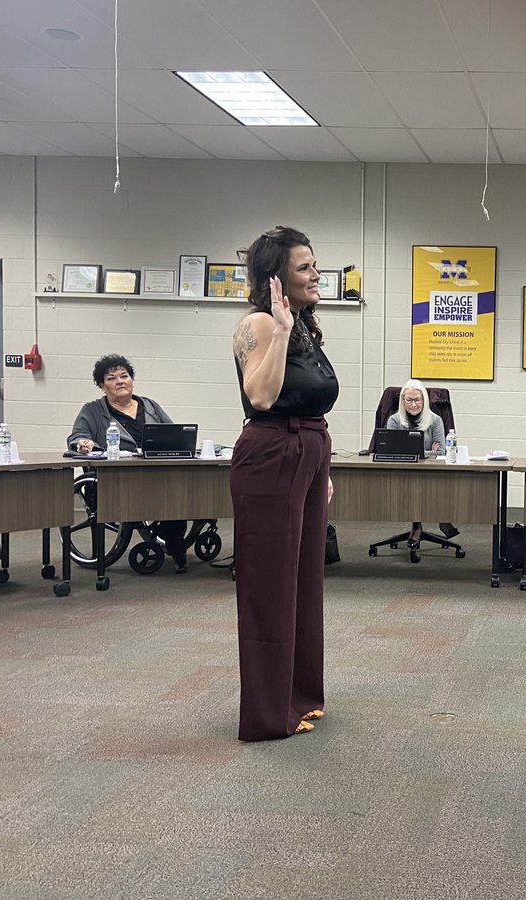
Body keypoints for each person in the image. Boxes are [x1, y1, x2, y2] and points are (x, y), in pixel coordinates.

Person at [231, 225, 338, 741]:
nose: (316, 274)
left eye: (315, 265)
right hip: (273, 454)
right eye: (304, 267)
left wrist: (324, 470)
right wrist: (276, 327)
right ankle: (268, 712)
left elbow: (316, 401)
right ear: (277, 277)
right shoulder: (259, 324)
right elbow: (262, 397)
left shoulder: (305, 328)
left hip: (309, 455)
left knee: (304, 583)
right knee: (270, 585)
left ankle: (299, 696)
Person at [67, 354, 190, 573]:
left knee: (179, 496)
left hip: (157, 475)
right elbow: (76, 438)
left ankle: (174, 544)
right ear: (101, 386)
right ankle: (172, 544)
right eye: (112, 378)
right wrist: (83, 443)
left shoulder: (149, 405)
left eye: (124, 376)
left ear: (132, 380)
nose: (120, 381)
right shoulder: (93, 410)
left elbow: (174, 433)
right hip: (117, 480)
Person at [385, 378, 459, 546]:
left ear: (424, 401)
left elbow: (440, 451)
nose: (412, 404)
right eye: (408, 400)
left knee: (429, 487)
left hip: (430, 473)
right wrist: (427, 452)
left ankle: (427, 521)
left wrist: (410, 451)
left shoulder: (435, 421)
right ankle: (435, 520)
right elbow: (391, 450)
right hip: (401, 473)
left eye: (417, 400)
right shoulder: (394, 421)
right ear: (402, 401)